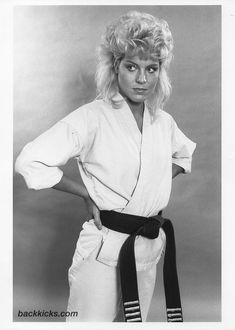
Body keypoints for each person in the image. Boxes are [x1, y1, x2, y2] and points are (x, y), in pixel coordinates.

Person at [15, 11, 196, 322]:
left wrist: (153, 183)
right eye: (132, 67)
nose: (142, 79)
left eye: (151, 68)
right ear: (116, 67)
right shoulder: (91, 117)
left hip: (148, 246)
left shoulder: (162, 122)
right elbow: (29, 160)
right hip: (103, 248)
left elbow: (182, 155)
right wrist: (84, 192)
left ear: (159, 72)